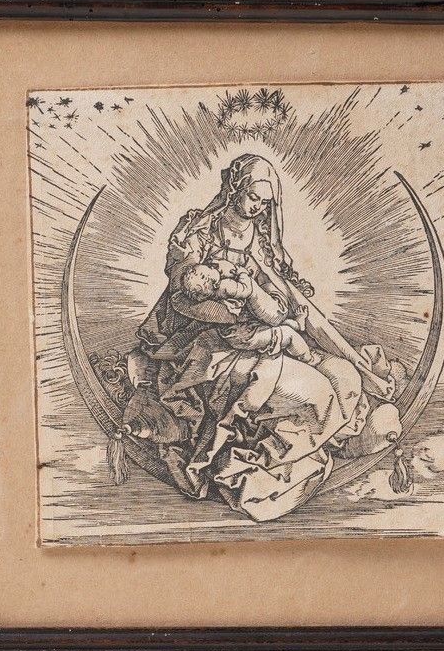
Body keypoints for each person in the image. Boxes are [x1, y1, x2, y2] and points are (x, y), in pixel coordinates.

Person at [131, 153, 401, 522]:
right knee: (318, 395)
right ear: (234, 188)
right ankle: (244, 467)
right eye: (253, 197)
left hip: (262, 335)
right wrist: (239, 312)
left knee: (345, 376)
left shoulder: (259, 242)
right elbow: (183, 299)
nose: (258, 207)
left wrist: (360, 366)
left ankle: (304, 446)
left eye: (265, 201)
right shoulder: (197, 232)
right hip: (204, 348)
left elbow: (301, 307)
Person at [179, 259, 317, 364]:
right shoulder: (225, 286)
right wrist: (243, 273)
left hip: (240, 332)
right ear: (208, 281)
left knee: (277, 326)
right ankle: (309, 358)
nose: (214, 268)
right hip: (248, 335)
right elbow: (246, 290)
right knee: (287, 334)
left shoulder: (214, 293)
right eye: (210, 269)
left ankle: (298, 324)